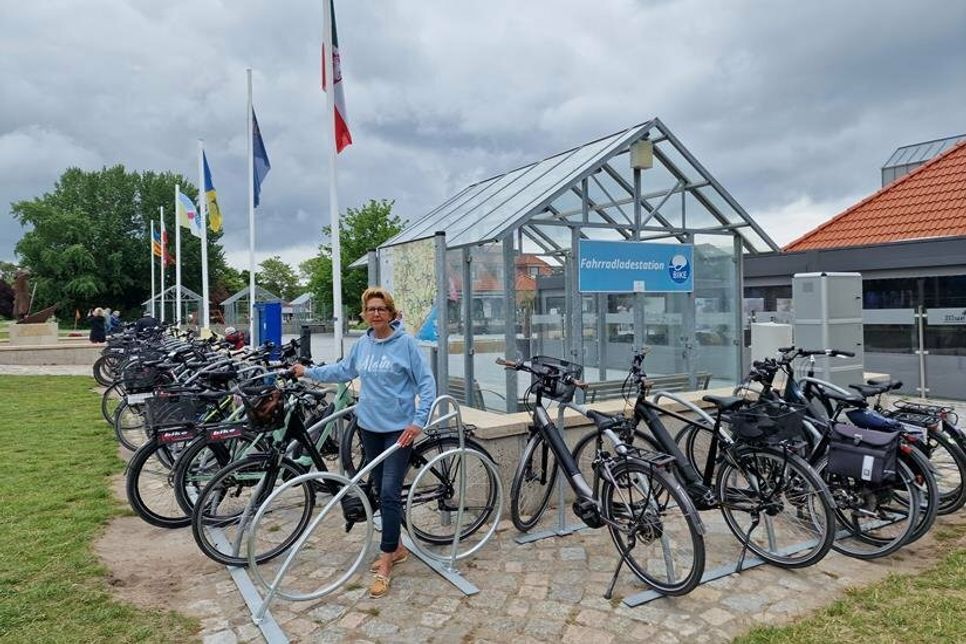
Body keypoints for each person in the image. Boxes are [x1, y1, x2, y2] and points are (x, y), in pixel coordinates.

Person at [293, 287, 435, 599]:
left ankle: (385, 561)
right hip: (369, 427)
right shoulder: (364, 344)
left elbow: (427, 383)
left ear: (391, 312)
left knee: (388, 492)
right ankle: (396, 547)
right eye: (370, 309)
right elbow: (343, 370)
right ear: (364, 314)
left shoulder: (406, 344)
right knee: (377, 488)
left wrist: (418, 420)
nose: (375, 314)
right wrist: (308, 372)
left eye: (381, 309)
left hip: (399, 430)